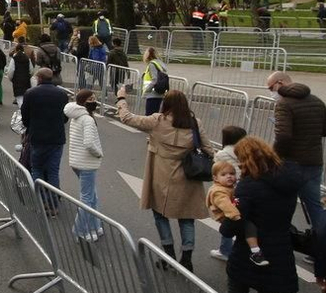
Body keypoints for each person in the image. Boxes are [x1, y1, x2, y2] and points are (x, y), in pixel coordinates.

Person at [223, 137, 304, 293]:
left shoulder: (249, 186)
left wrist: (224, 224)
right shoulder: (289, 179)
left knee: (237, 292)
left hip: (249, 249)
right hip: (280, 247)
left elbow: (237, 220)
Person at [115, 88, 205, 268]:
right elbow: (208, 148)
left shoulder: (157, 121)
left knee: (160, 214)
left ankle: (168, 255)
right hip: (187, 177)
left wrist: (122, 99)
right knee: (187, 218)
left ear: (166, 104)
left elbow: (127, 118)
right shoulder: (194, 123)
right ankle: (186, 259)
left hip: (161, 176)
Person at [267, 72, 326, 227]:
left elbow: (283, 136)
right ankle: (324, 242)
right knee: (314, 205)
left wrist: (273, 157)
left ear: (280, 83)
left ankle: (282, 240)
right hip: (314, 161)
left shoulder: (284, 104)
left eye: (270, 88)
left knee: (283, 204)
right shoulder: (317, 101)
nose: (270, 92)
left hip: (291, 162)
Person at [21, 66, 69, 216]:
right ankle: (53, 204)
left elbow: (25, 116)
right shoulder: (62, 94)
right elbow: (65, 116)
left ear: (39, 79)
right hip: (57, 138)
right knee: (53, 171)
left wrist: (31, 127)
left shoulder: (31, 93)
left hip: (37, 137)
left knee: (37, 169)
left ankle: (42, 200)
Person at [207, 160, 267, 265]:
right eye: (224, 174)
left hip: (233, 214)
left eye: (232, 174)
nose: (229, 176)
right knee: (249, 227)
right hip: (228, 216)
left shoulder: (228, 187)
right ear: (215, 178)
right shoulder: (218, 191)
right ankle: (256, 252)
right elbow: (226, 205)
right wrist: (236, 216)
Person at [64, 89, 105, 240]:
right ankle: (80, 230)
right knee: (88, 199)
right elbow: (89, 143)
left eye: (95, 98)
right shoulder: (87, 119)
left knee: (92, 196)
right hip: (86, 163)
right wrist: (98, 153)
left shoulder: (76, 115)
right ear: (83, 102)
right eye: (91, 99)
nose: (94, 101)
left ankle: (95, 226)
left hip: (77, 161)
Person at [212, 125, 248, 262]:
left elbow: (216, 171)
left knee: (228, 218)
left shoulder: (222, 154)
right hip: (244, 187)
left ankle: (225, 250)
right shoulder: (246, 152)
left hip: (228, 190)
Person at [140, 47, 169, 115]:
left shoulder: (152, 65)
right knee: (154, 115)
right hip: (159, 93)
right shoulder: (159, 63)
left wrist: (146, 91)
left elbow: (154, 79)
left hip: (152, 93)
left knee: (149, 116)